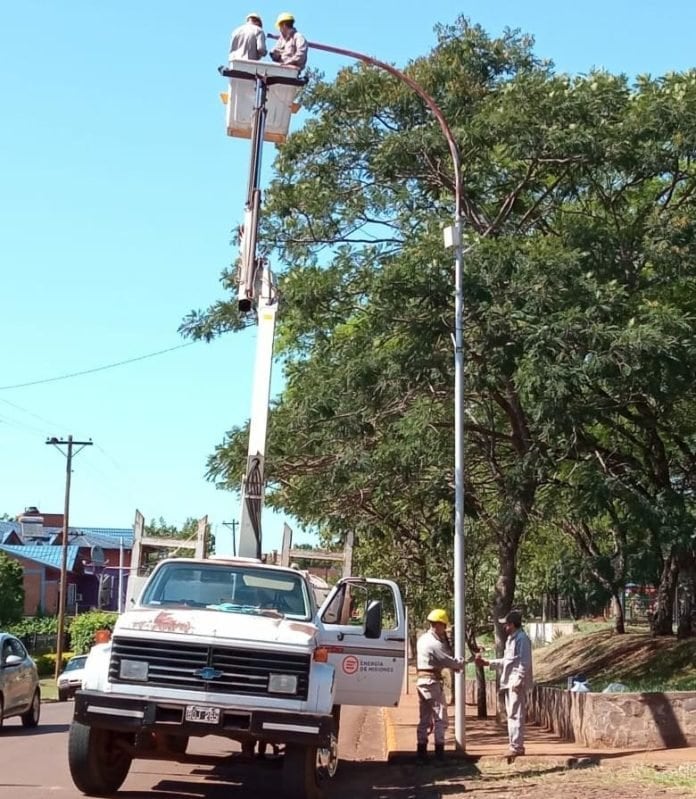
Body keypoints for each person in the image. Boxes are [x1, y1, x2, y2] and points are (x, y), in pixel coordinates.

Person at [476, 610, 533, 760]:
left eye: (507, 624)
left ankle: (516, 747)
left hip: (515, 682)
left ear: (512, 625)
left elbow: (524, 662)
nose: (504, 627)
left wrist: (519, 680)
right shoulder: (511, 640)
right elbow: (507, 661)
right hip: (509, 681)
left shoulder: (522, 639)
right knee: (512, 714)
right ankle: (514, 745)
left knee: (515, 714)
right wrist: (488, 663)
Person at [416, 608, 465, 763]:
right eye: (444, 626)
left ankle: (421, 752)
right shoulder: (434, 643)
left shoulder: (423, 639)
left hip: (422, 681)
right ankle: (439, 754)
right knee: (440, 717)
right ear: (438, 625)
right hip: (431, 682)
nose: (445, 630)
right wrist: (460, 663)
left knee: (424, 718)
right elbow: (447, 661)